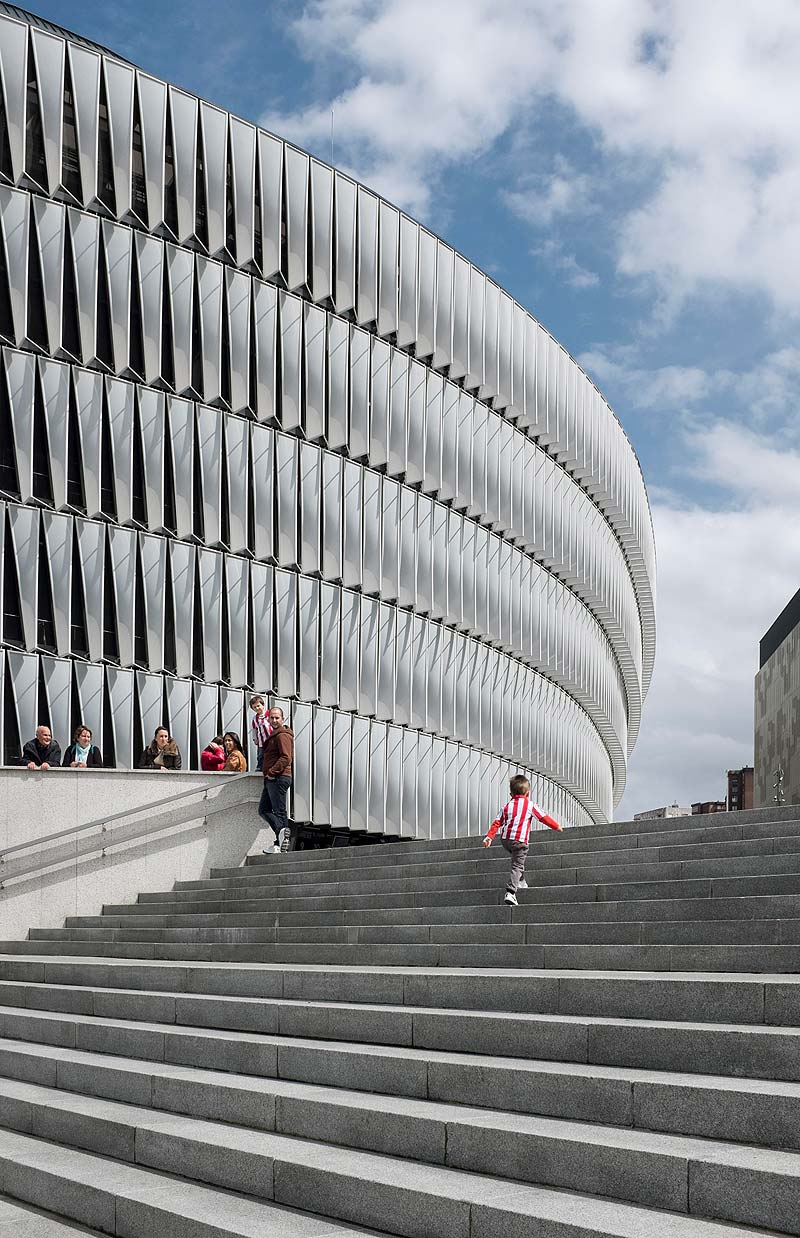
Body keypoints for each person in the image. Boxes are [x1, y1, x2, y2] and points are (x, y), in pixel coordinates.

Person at [482, 774, 562, 905]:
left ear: (511, 794)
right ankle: (511, 892)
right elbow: (543, 817)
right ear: (528, 793)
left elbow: (497, 822)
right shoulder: (530, 805)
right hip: (519, 841)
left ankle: (521, 881)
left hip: (506, 840)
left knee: (518, 860)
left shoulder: (506, 806)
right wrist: (556, 826)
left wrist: (489, 837)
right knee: (517, 864)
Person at [258, 706, 295, 853]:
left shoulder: (282, 735)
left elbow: (286, 757)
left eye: (277, 717)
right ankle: (280, 838)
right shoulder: (275, 735)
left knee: (279, 811)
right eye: (271, 718)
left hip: (278, 777)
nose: (274, 720)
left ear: (282, 718)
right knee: (263, 809)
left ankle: (281, 839)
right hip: (273, 779)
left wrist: (272, 772)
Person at [249, 695, 272, 772]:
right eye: (254, 707)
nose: (257, 708)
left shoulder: (269, 714)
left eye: (258, 706)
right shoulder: (255, 718)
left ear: (263, 705)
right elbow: (254, 729)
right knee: (260, 755)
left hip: (271, 739)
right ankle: (260, 767)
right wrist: (255, 739)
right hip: (261, 741)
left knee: (272, 753)